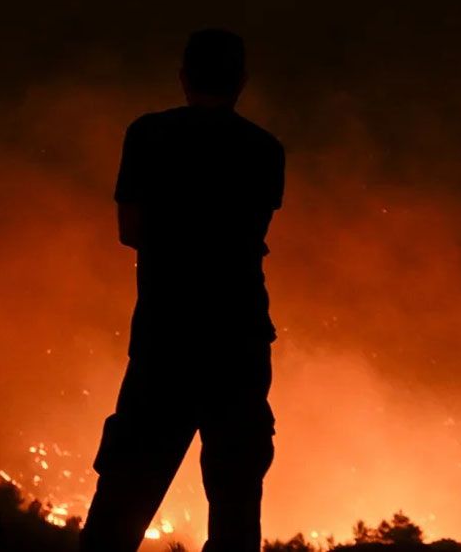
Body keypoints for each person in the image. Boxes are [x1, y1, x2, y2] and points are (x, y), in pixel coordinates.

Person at [80, 29, 285, 552]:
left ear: (183, 77)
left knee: (125, 492)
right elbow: (251, 232)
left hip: (165, 338)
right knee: (236, 498)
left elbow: (130, 230)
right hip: (238, 339)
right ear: (241, 81)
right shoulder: (264, 149)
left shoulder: (148, 135)